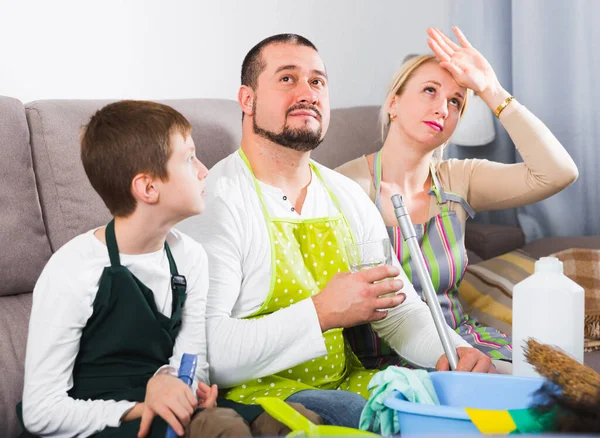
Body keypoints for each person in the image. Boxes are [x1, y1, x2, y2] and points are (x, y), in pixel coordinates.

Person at [186, 33, 495, 430]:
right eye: (287, 79)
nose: (308, 93)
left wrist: (456, 352)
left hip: (346, 386)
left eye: (317, 82)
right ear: (247, 100)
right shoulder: (216, 201)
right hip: (265, 402)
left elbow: (398, 313)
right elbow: (211, 352)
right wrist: (322, 312)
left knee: (458, 409)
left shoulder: (346, 195)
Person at [18, 100, 321, 437]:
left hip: (169, 409)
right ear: (148, 188)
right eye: (190, 158)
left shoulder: (190, 256)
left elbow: (193, 365)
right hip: (103, 419)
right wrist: (142, 408)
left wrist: (183, 388)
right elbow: (40, 411)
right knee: (222, 428)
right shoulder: (73, 270)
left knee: (294, 418)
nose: (205, 170)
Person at [336, 27, 578, 372]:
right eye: (429, 91)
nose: (443, 109)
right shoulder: (346, 186)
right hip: (381, 361)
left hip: (465, 348)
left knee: (553, 392)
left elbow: (558, 173)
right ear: (393, 103)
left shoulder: (458, 178)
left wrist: (491, 90)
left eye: (456, 102)